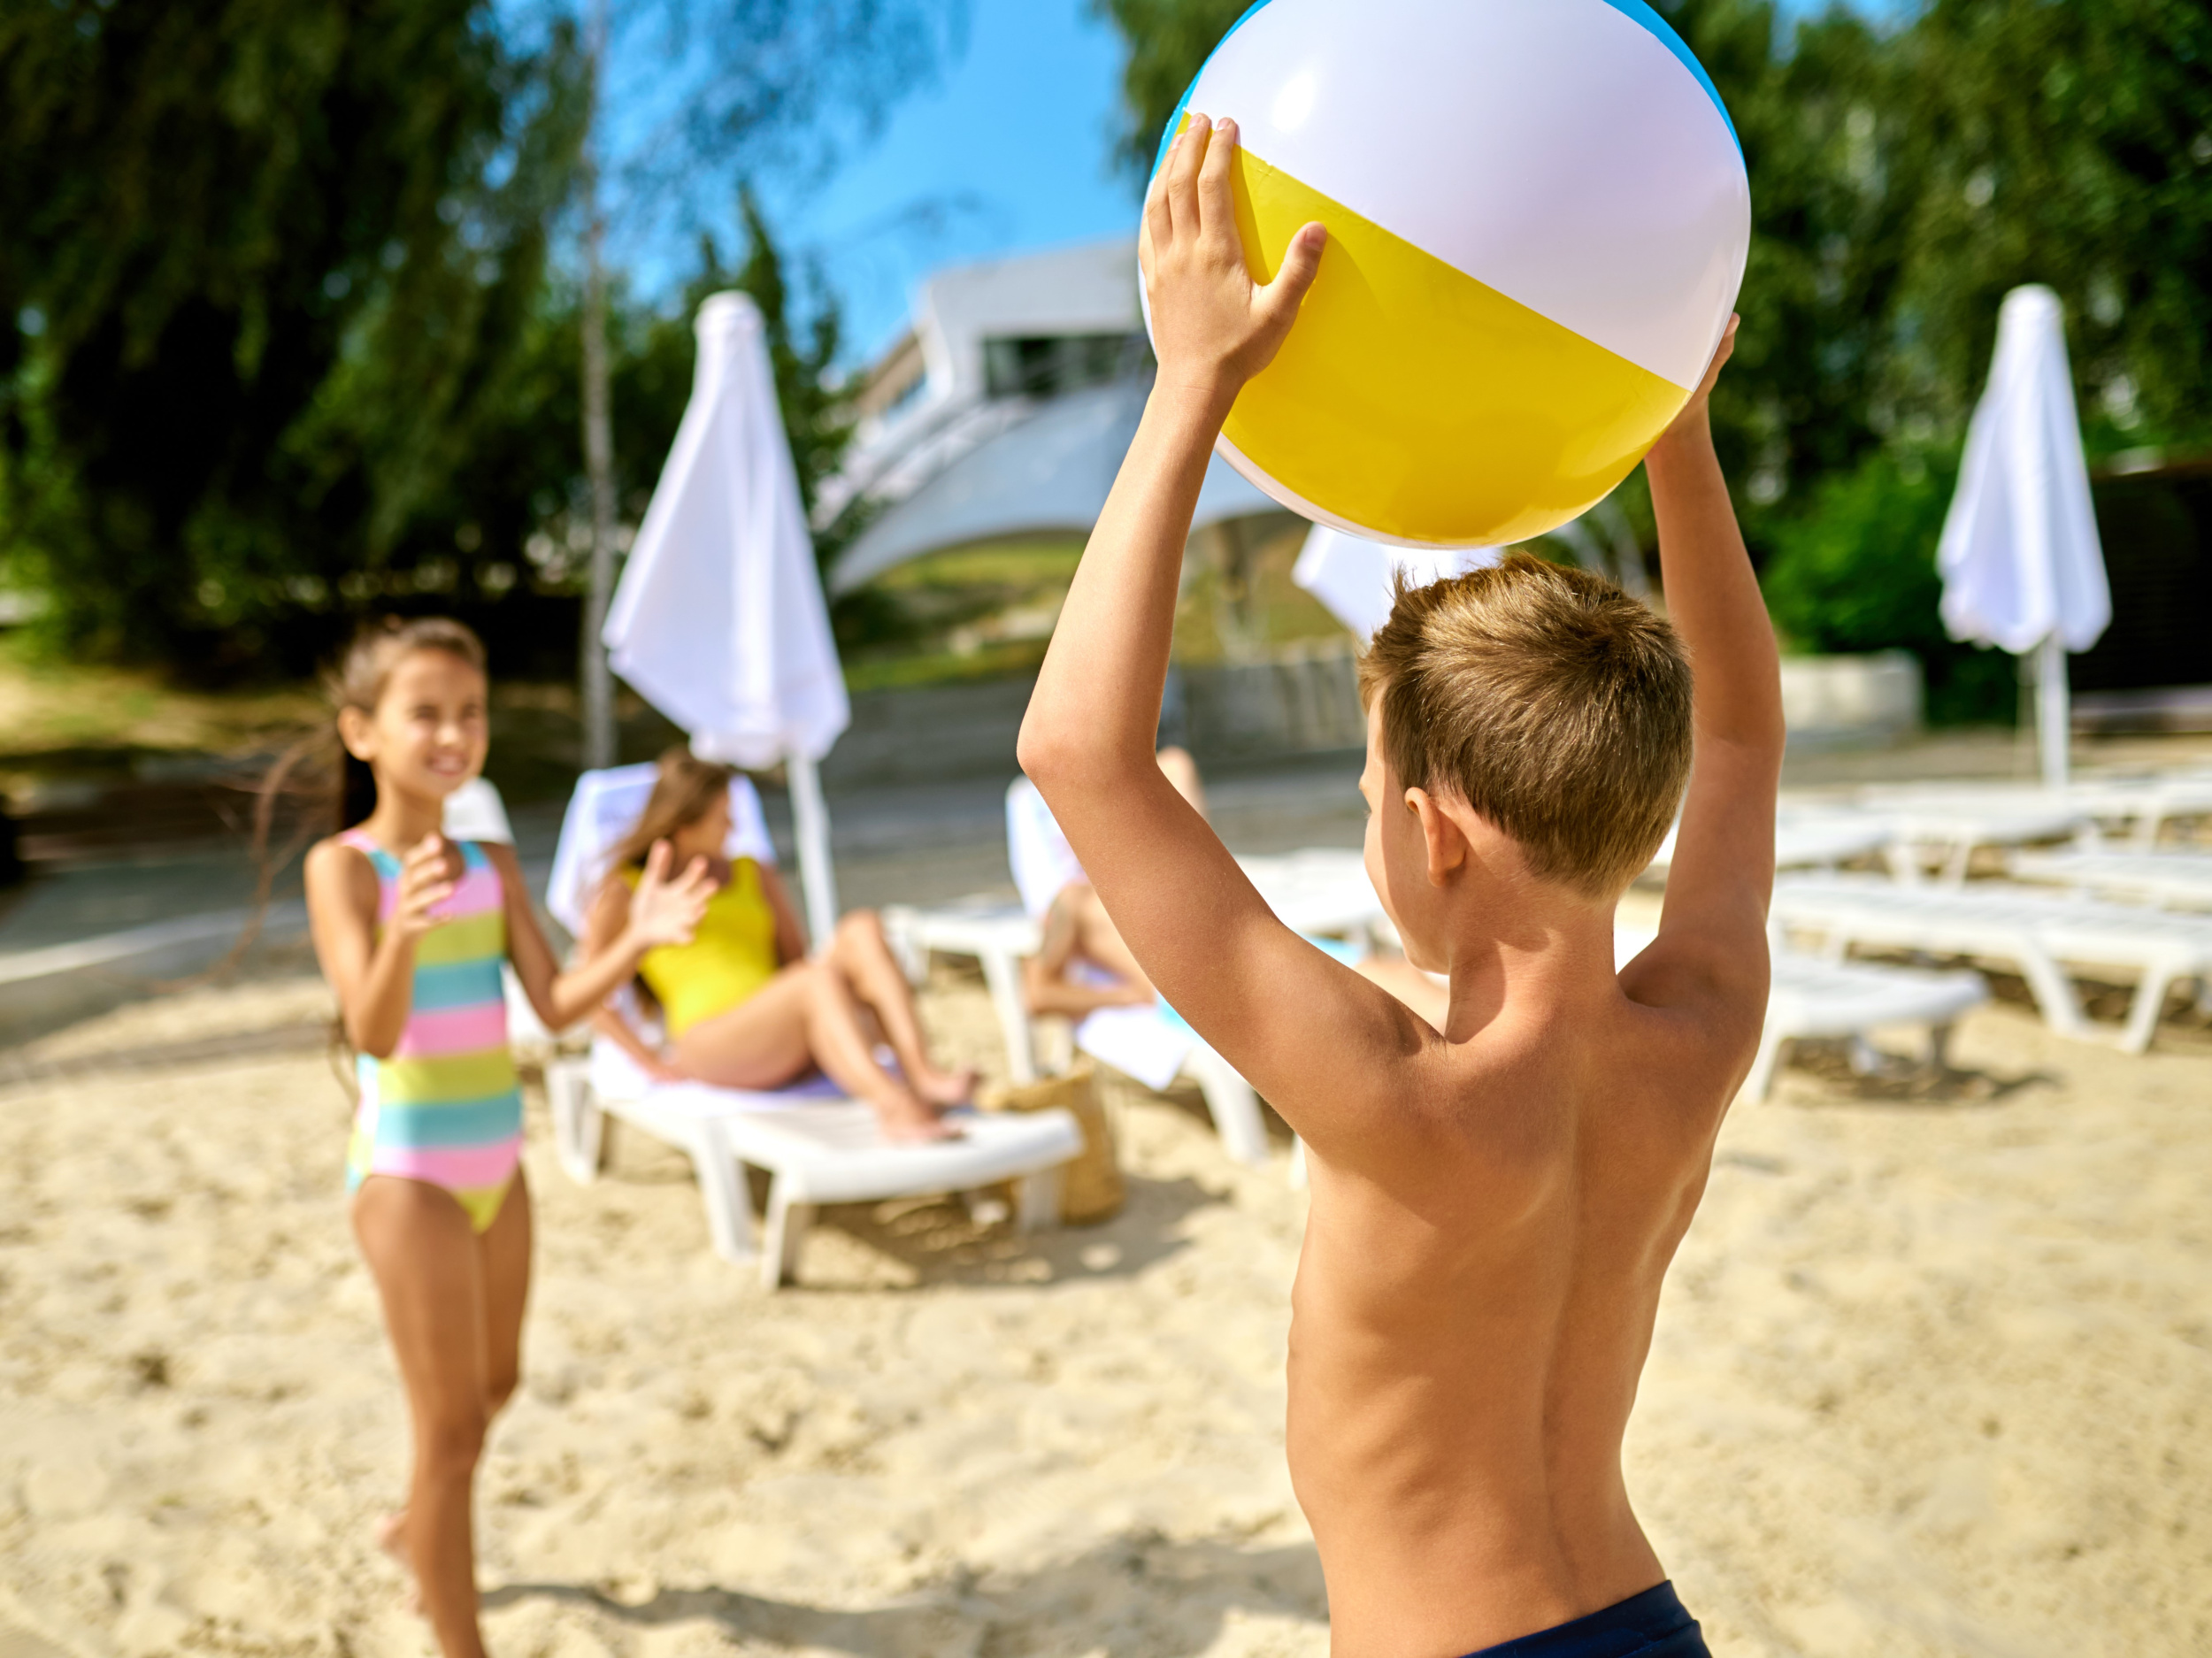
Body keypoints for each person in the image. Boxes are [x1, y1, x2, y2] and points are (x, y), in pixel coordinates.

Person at [1018, 113, 1776, 1657]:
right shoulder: (1699, 1029)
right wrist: (1676, 436)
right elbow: (1751, 720)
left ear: (1432, 831)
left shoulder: (1395, 1090)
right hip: (1647, 1625)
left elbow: (1077, 753)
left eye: (1375, 792)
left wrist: (1191, 387)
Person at [300, 618, 714, 1657]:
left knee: (490, 1394)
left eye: (469, 712)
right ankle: (460, 1637)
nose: (453, 731)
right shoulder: (343, 869)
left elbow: (558, 1000)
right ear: (363, 732)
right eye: (424, 711)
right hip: (409, 1175)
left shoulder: (488, 859)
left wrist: (635, 938)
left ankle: (412, 1532)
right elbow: (374, 1030)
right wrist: (403, 926)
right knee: (446, 1434)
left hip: (499, 1165)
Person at [576, 747, 975, 1142]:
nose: (733, 828)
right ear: (684, 827)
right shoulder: (627, 889)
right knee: (812, 981)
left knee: (861, 927)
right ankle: (893, 1107)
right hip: (710, 1039)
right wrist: (646, 1061)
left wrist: (839, 1002)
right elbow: (586, 991)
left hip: (778, 1024)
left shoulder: (752, 871)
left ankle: (922, 1074)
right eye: (722, 819)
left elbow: (794, 959)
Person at [1016, 748, 1451, 1029]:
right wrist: (1126, 995)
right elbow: (1038, 992)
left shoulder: (1161, 873)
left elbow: (1175, 764)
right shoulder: (1073, 903)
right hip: (1217, 990)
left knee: (1397, 977)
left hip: (1260, 957)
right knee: (1389, 1000)